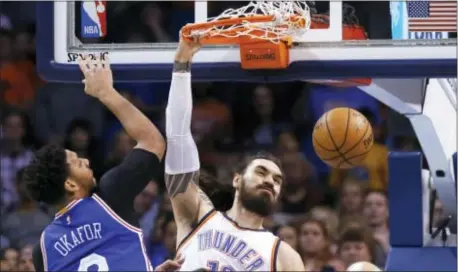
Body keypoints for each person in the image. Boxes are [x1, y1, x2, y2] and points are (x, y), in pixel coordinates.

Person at [23, 56, 182, 272]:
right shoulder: (109, 196)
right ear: (70, 184)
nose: (86, 160)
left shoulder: (42, 250)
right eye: (78, 162)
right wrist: (105, 92)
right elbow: (152, 142)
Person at [164, 37, 305, 271]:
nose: (270, 181)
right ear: (237, 179)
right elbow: (177, 137)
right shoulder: (198, 214)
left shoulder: (285, 256)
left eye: (277, 180)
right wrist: (181, 64)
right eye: (261, 172)